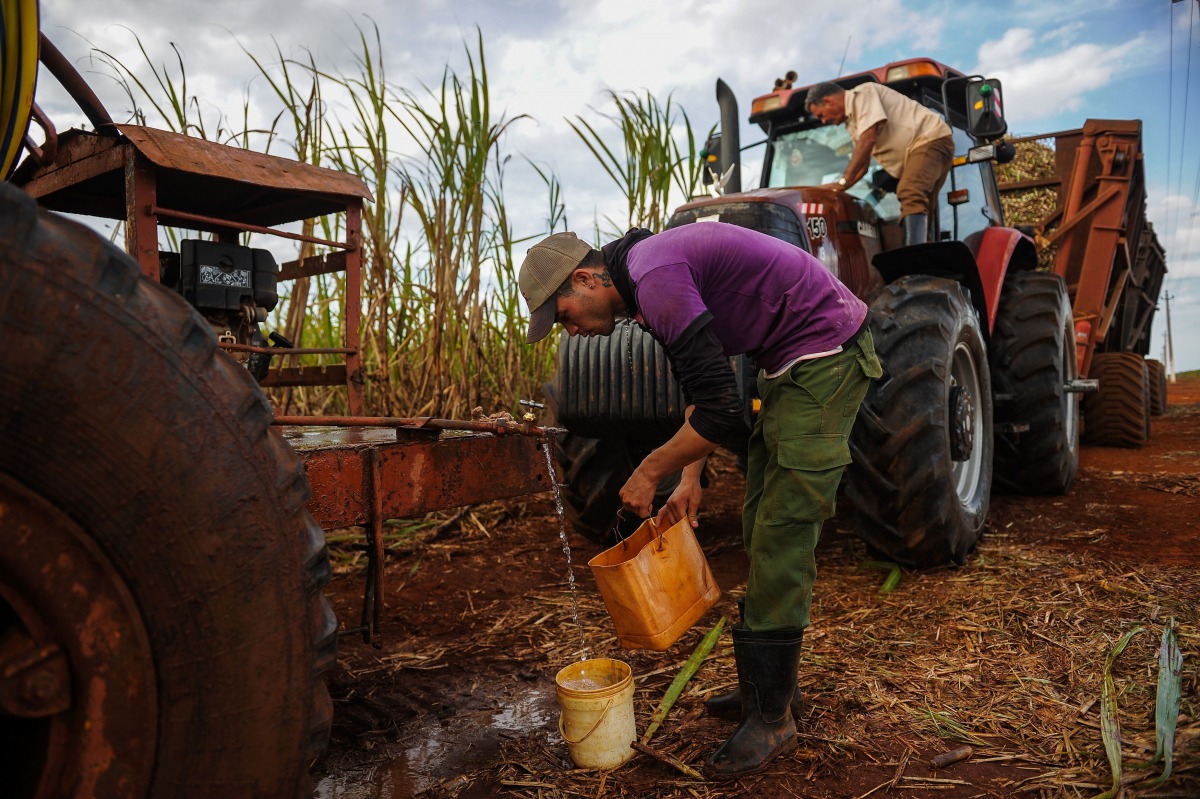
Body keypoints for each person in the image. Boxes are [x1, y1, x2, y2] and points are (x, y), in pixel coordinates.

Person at [520, 222, 882, 777]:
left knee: (783, 529)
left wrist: (648, 470)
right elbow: (703, 393)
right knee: (760, 521)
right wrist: (689, 477)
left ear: (585, 278)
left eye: (564, 316)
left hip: (824, 355)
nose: (569, 331)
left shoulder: (655, 275)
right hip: (788, 364)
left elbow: (721, 413)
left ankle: (772, 718)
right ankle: (767, 691)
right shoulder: (644, 283)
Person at [805, 80, 954, 244]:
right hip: (922, 148)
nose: (823, 121)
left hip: (929, 139)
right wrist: (838, 189)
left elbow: (868, 139)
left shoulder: (863, 94)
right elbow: (863, 165)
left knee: (910, 192)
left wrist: (844, 180)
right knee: (922, 210)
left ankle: (914, 264)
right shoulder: (852, 124)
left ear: (828, 101)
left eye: (821, 115)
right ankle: (927, 261)